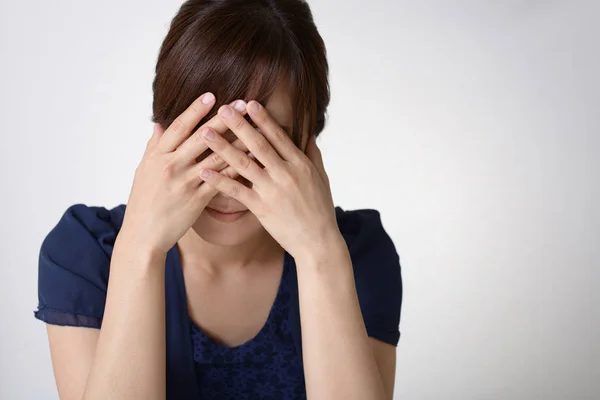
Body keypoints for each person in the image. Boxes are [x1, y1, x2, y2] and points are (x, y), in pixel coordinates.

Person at [33, 0, 403, 399]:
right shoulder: (85, 254)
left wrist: (320, 256)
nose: (229, 177)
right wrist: (140, 249)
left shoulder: (357, 254)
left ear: (307, 147)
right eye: (206, 136)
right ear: (165, 132)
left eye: (259, 140)